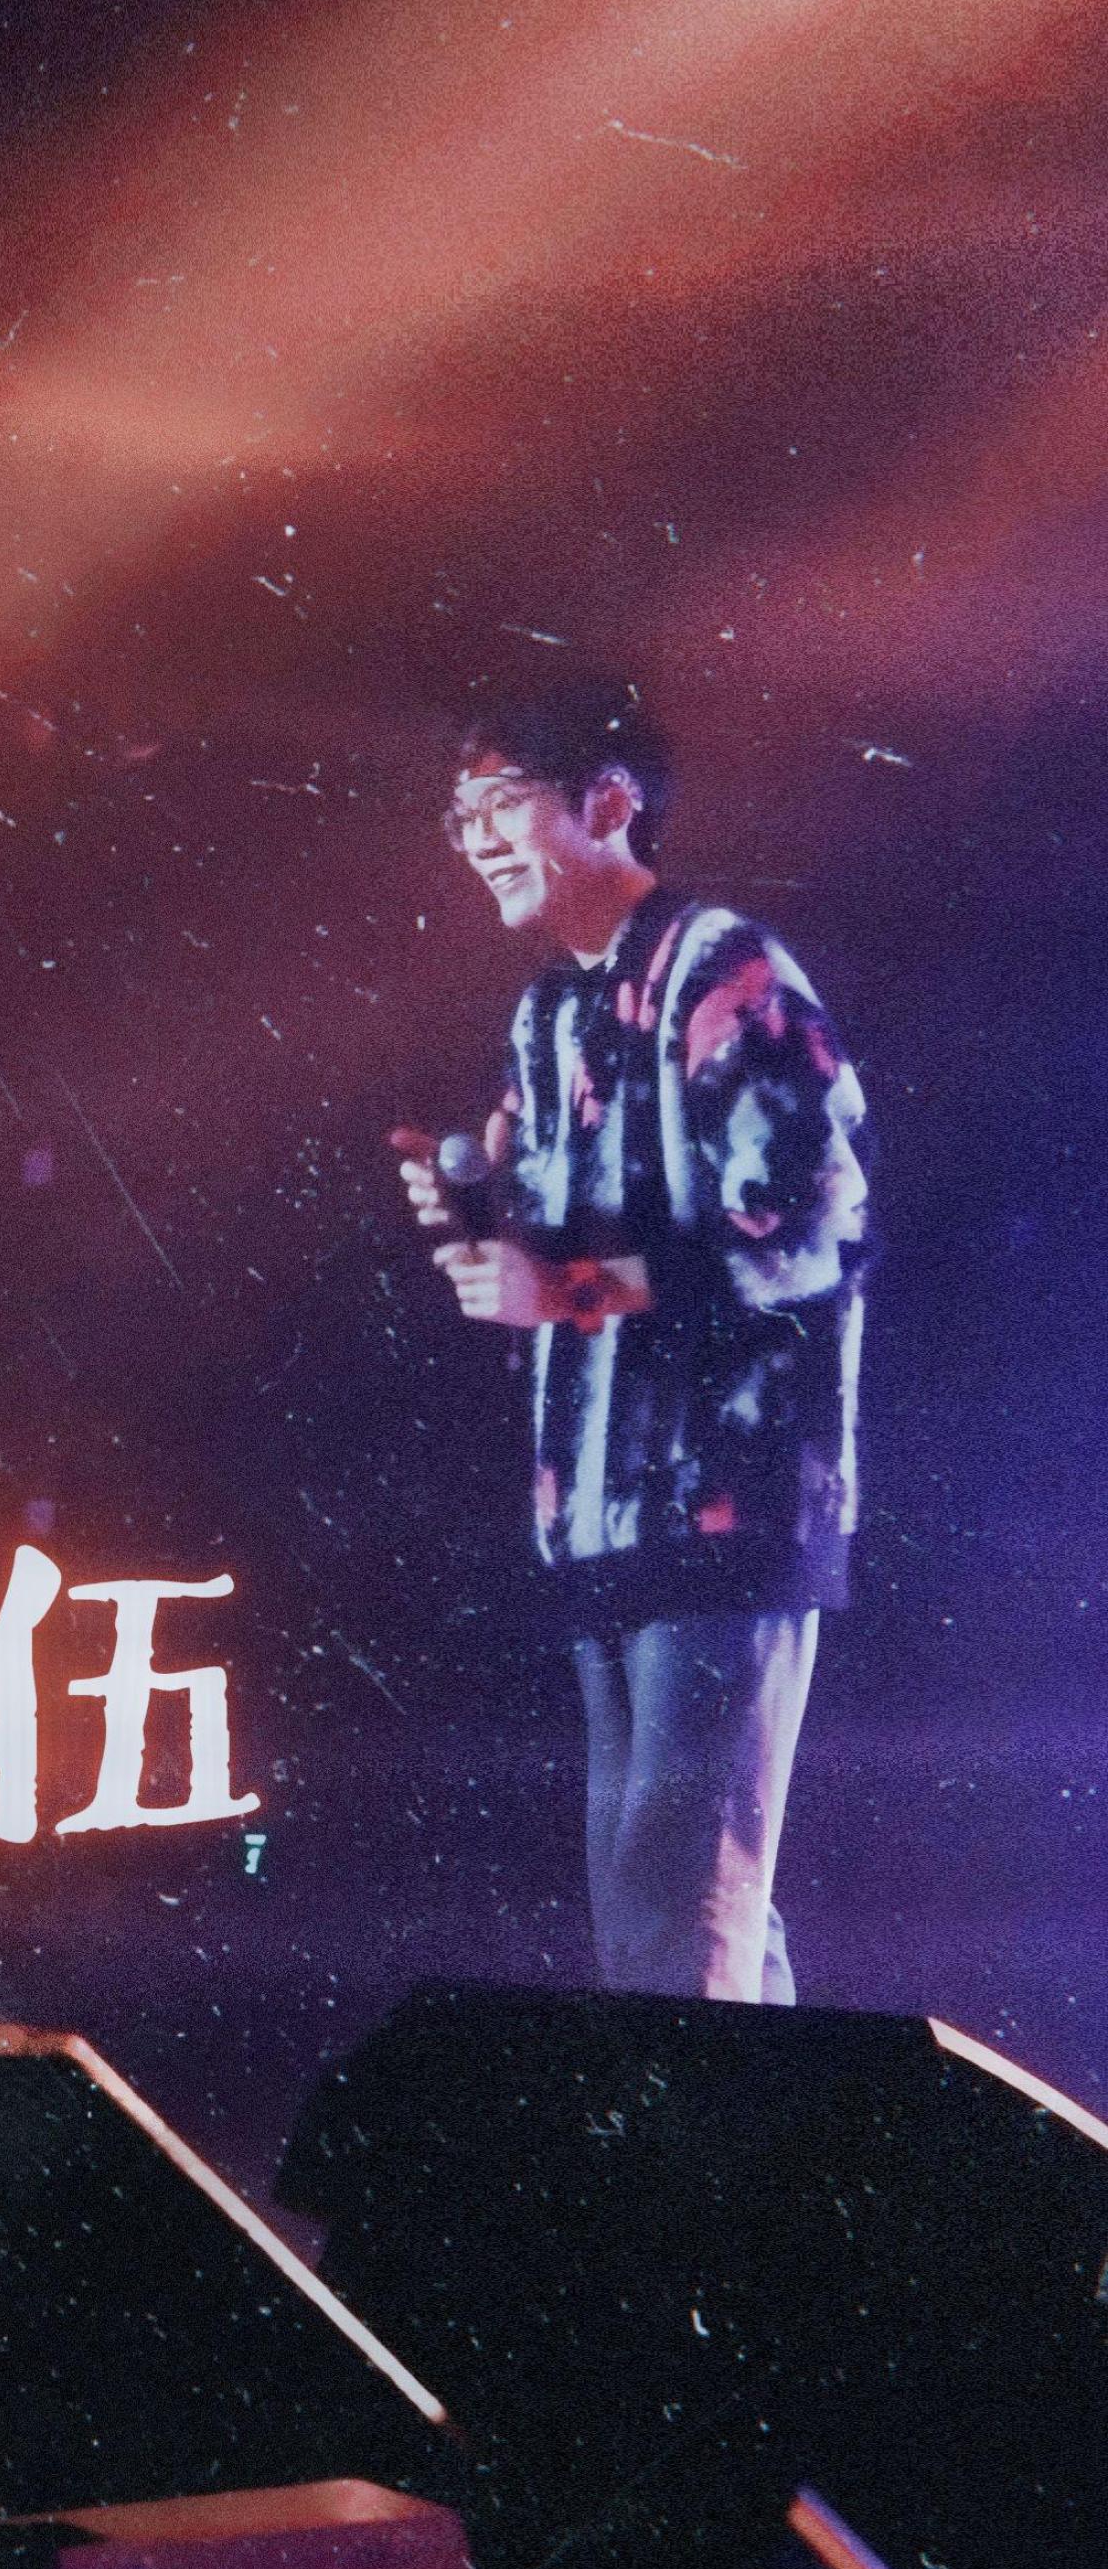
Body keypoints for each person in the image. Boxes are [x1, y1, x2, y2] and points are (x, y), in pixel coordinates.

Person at [393, 677, 869, 2003]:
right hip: (602, 1528)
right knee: (680, 1922)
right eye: (460, 818)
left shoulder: (728, 972)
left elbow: (811, 1232)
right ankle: (781, 2146)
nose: (476, 839)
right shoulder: (548, 1015)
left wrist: (564, 1289)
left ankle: (722, 2150)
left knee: (681, 1923)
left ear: (608, 802)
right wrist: (472, 1211)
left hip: (725, 1507)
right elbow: (564, 1241)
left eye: (499, 803)